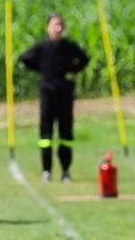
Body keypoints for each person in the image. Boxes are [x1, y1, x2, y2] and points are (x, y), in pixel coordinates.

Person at [18, 13, 89, 182]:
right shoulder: (42, 47)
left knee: (65, 134)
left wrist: (72, 69)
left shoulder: (69, 47)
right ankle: (46, 171)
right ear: (48, 28)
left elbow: (84, 59)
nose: (58, 28)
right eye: (54, 25)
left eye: (60, 25)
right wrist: (41, 68)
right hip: (48, 93)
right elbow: (24, 59)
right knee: (46, 135)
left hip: (65, 94)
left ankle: (66, 171)